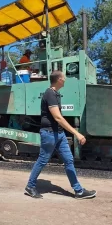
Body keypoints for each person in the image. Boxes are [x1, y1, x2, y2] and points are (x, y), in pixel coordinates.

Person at [25, 71, 96, 199]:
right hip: (49, 134)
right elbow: (58, 117)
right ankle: (30, 186)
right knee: (43, 160)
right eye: (64, 77)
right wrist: (77, 134)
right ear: (59, 80)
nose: (65, 79)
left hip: (59, 134)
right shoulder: (50, 93)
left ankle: (78, 191)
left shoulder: (56, 94)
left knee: (69, 160)